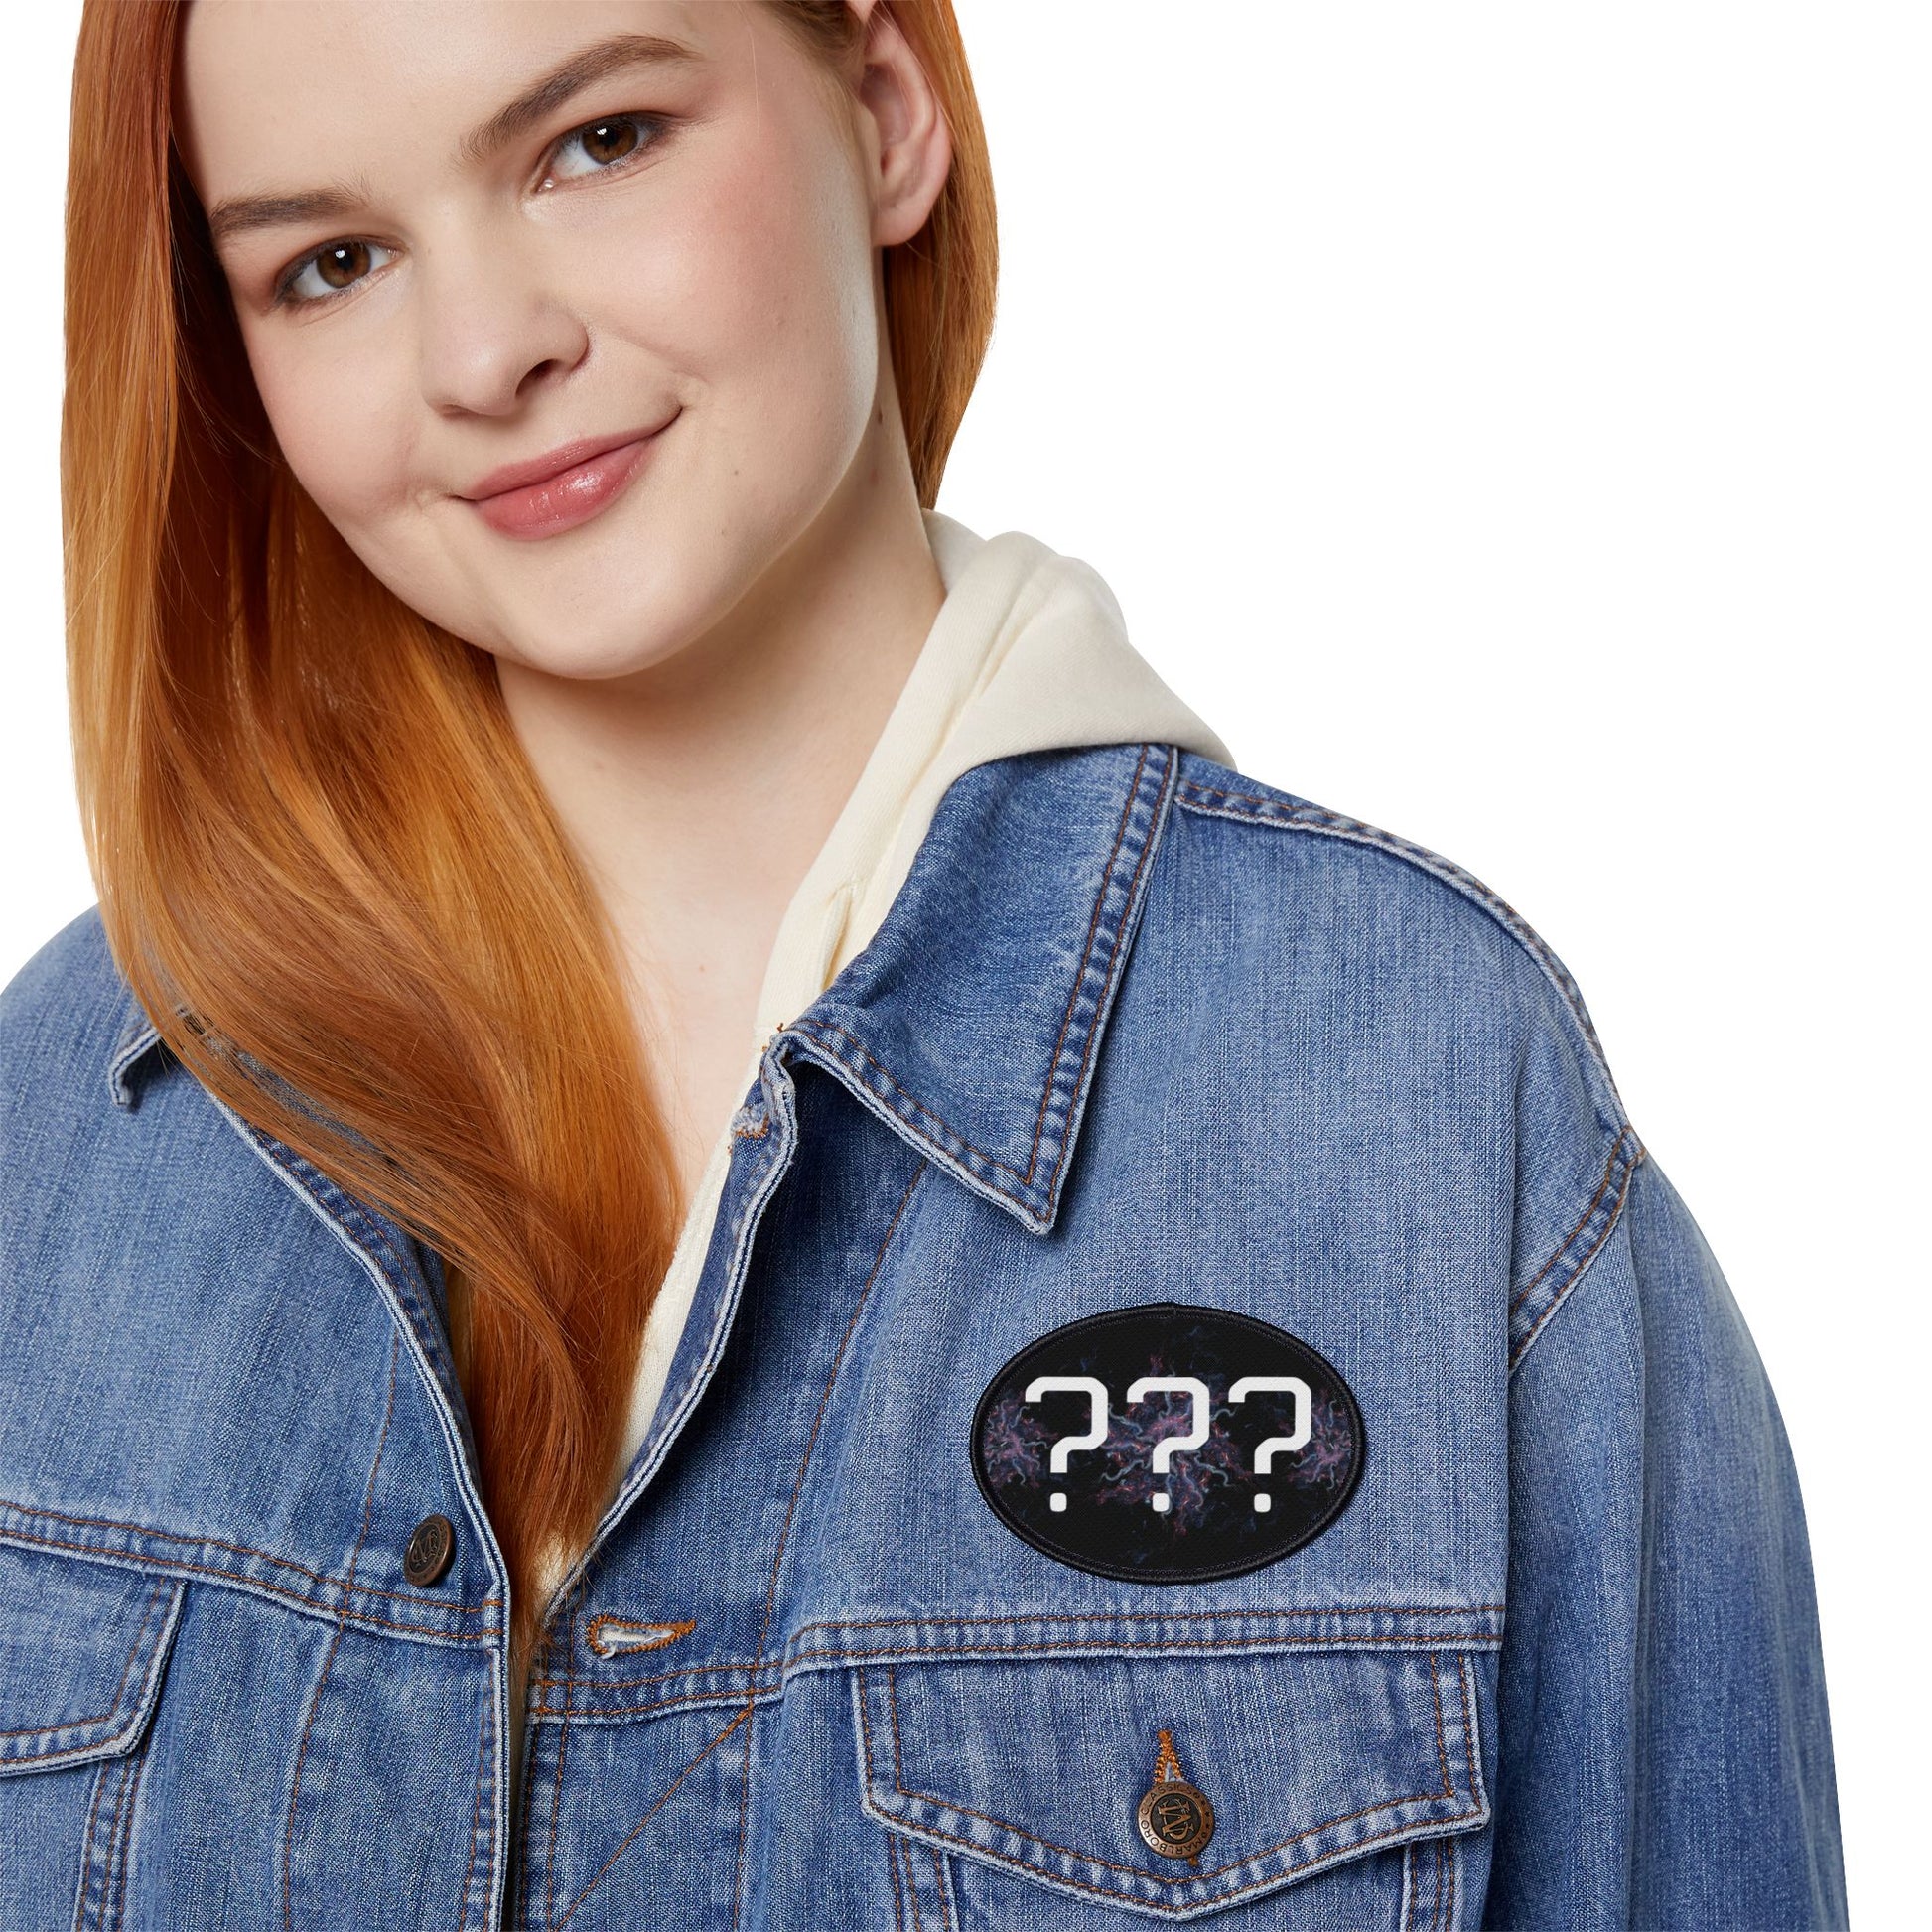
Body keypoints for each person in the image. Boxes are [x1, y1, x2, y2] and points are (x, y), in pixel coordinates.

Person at [0, 1, 1846, 1926]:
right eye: (333, 262)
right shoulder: (50, 1138)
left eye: (597, 142)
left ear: (885, 114)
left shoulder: (1426, 1111)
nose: (483, 354)